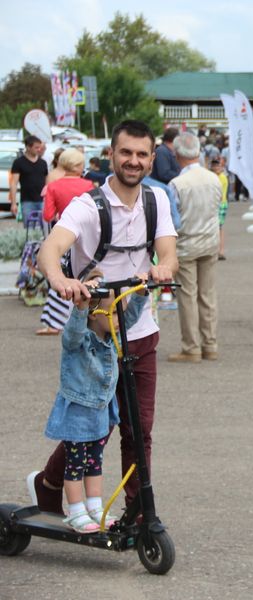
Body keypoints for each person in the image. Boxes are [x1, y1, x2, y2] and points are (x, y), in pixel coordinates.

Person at [29, 119, 178, 514]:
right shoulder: (87, 206)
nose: (133, 161)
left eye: (142, 154)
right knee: (94, 426)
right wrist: (60, 278)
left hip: (140, 332)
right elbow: (51, 249)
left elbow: (169, 252)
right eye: (125, 152)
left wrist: (164, 267)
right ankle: (49, 483)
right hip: (96, 337)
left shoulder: (156, 201)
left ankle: (139, 511)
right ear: (111, 154)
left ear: (151, 159)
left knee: (138, 428)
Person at [43, 269, 147, 532]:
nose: (117, 319)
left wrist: (141, 294)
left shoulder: (110, 338)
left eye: (117, 312)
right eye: (112, 313)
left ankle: (95, 507)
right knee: (75, 463)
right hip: (79, 411)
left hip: (101, 411)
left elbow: (131, 318)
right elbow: (71, 336)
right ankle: (76, 511)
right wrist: (79, 308)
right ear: (93, 313)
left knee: (95, 461)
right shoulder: (80, 339)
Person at [167, 133, 222, 363]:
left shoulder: (176, 184)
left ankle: (192, 347)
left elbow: (173, 218)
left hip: (186, 244)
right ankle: (210, 344)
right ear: (198, 152)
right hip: (210, 241)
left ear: (177, 154)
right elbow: (218, 207)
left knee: (187, 296)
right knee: (207, 295)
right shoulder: (214, 178)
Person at [36, 149, 94, 336]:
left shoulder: (53, 186)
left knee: (61, 279)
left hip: (63, 236)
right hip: (86, 237)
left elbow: (47, 215)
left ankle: (55, 322)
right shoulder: (89, 186)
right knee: (88, 277)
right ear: (79, 166)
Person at [9, 135, 48, 226]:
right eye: (36, 147)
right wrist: (13, 203)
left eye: (40, 147)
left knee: (45, 229)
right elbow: (14, 183)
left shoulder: (43, 163)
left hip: (43, 201)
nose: (39, 150)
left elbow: (47, 183)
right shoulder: (18, 162)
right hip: (27, 201)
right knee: (29, 229)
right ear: (28, 147)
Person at [210, 158, 229, 260]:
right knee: (217, 228)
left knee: (219, 228)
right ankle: (217, 250)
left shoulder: (221, 178)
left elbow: (220, 194)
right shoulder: (214, 177)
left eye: (217, 166)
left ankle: (220, 251)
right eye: (213, 166)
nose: (215, 167)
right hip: (216, 204)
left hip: (220, 204)